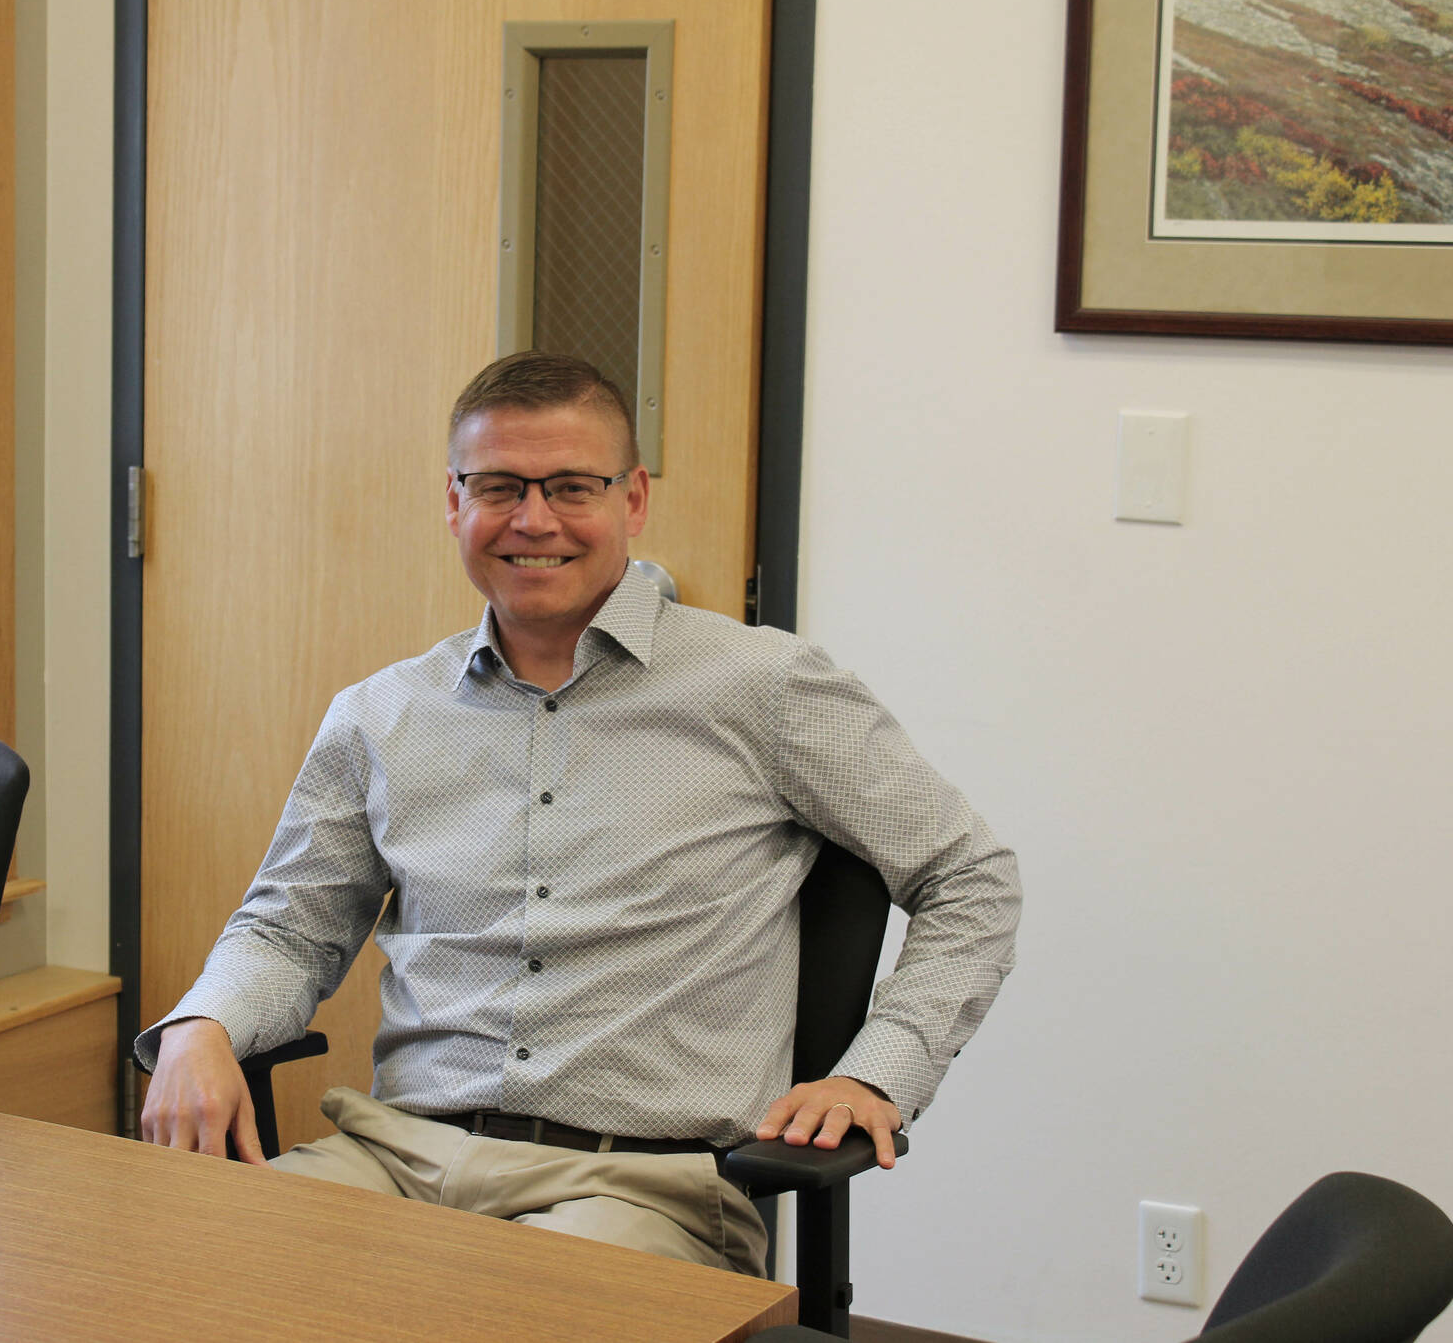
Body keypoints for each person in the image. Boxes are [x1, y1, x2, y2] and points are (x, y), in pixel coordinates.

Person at [136, 351, 1021, 1276]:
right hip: (393, 1159)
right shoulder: (381, 714)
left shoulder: (765, 687)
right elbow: (288, 930)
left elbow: (970, 876)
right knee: (198, 1279)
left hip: (637, 1189)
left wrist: (878, 1069)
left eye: (571, 486)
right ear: (453, 502)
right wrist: (204, 1024)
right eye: (499, 487)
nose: (534, 519)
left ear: (633, 499)